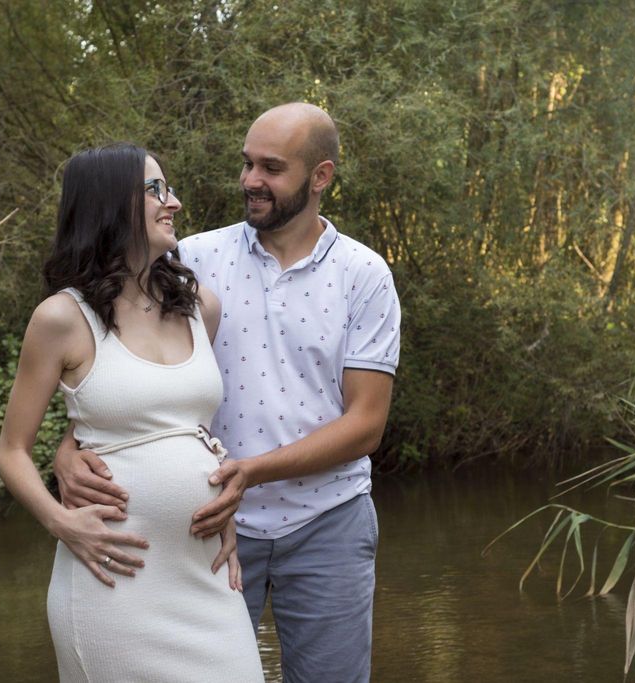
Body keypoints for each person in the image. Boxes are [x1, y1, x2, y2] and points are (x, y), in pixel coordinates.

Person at [54, 104, 400, 682]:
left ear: (320, 177)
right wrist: (70, 447)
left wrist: (250, 472)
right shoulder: (189, 261)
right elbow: (118, 376)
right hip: (198, 528)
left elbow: (366, 425)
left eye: (271, 168)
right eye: (246, 165)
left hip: (328, 524)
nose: (250, 182)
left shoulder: (364, 276)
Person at [0, 143, 265, 682]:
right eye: (156, 190)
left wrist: (219, 496)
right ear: (110, 205)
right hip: (114, 578)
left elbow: (176, 428)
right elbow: (12, 451)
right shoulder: (61, 319)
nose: (176, 202)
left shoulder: (199, 308)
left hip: (206, 574)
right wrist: (62, 522)